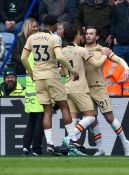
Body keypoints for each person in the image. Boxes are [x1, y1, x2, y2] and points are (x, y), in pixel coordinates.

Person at [21, 15, 80, 155]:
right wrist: (72, 70)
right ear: (53, 25)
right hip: (52, 76)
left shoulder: (31, 38)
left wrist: (31, 73)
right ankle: (72, 139)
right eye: (56, 25)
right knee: (64, 106)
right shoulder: (54, 38)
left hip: (39, 78)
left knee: (47, 110)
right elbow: (59, 57)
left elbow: (23, 57)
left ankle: (50, 144)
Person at [60, 25, 112, 155]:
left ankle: (72, 150)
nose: (82, 36)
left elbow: (61, 72)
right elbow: (96, 64)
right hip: (80, 88)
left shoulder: (61, 51)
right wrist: (105, 55)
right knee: (91, 117)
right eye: (79, 34)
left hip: (67, 88)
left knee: (73, 120)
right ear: (76, 36)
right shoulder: (81, 51)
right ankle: (70, 139)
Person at [84, 26, 129, 156]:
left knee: (109, 117)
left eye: (91, 34)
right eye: (87, 33)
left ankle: (125, 142)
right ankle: (100, 149)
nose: (88, 36)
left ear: (97, 37)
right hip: (86, 89)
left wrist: (126, 69)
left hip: (99, 88)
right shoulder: (81, 50)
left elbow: (119, 59)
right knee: (92, 119)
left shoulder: (103, 50)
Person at [22, 53, 44, 156]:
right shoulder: (40, 54)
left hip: (30, 92)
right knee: (40, 121)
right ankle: (36, 149)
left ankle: (26, 147)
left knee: (31, 121)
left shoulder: (29, 54)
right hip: (40, 91)